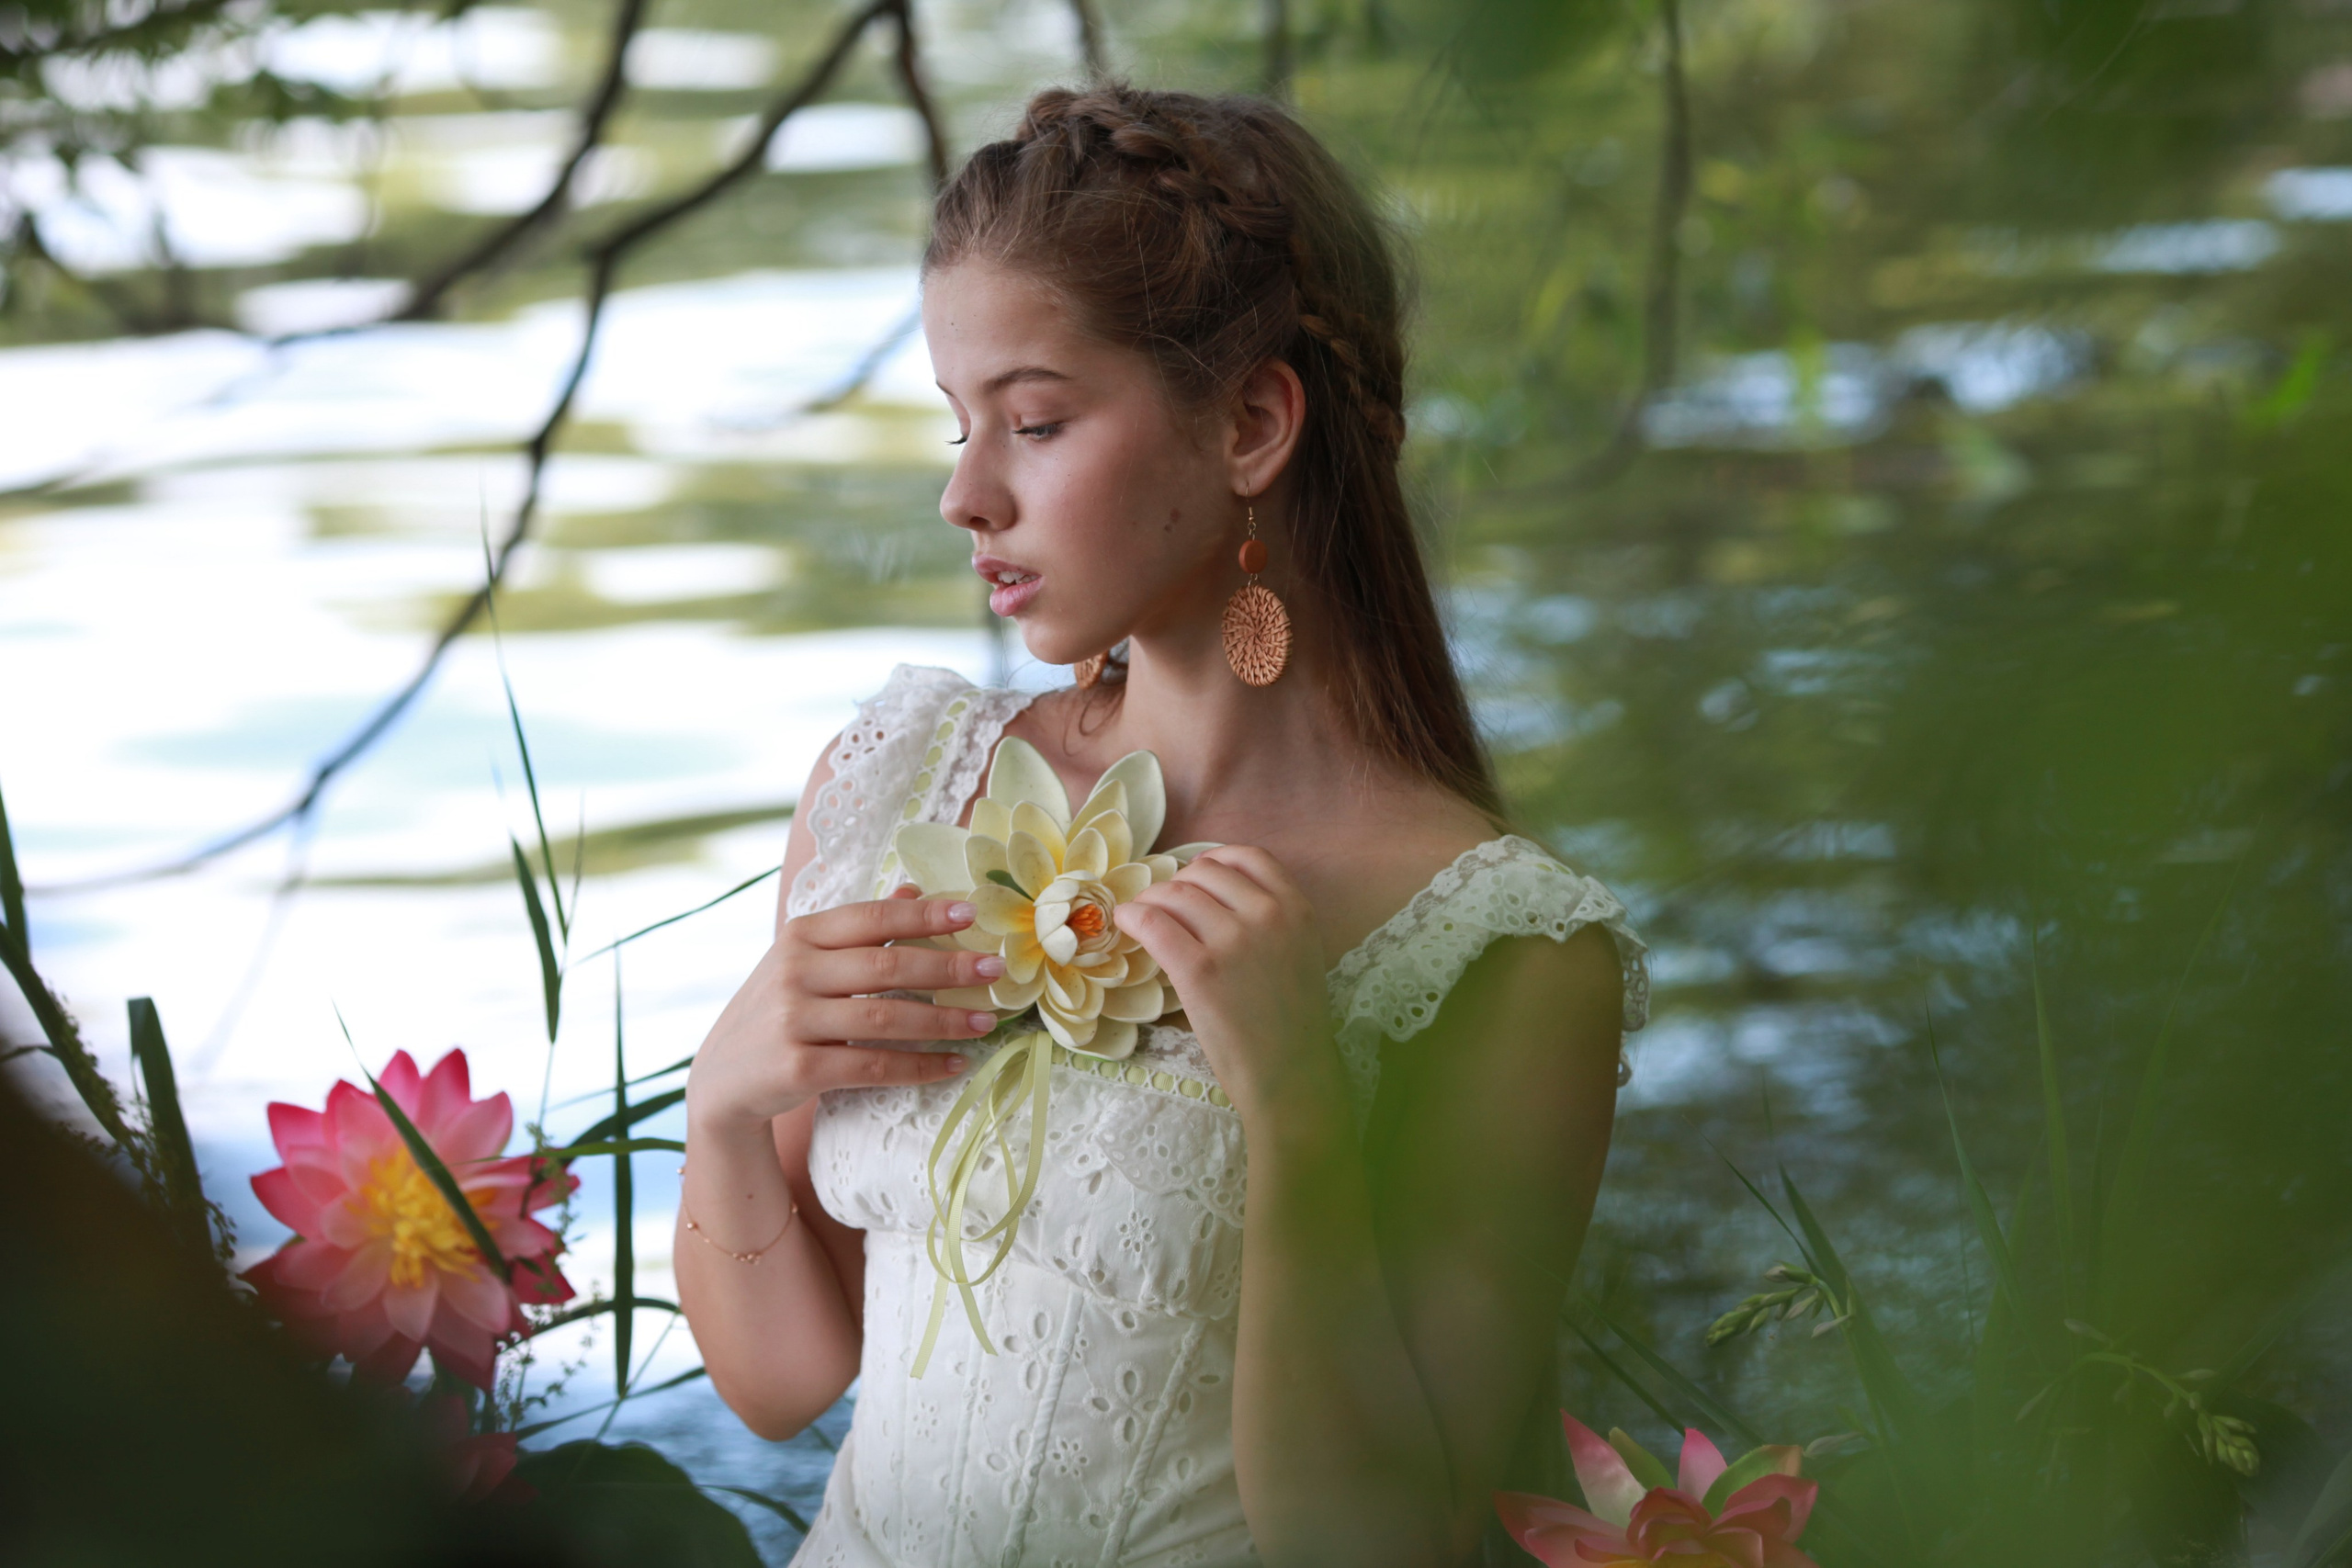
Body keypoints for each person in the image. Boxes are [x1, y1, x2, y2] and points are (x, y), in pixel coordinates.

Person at [675, 84, 1648, 1568]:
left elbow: (1380, 1538)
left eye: (1037, 421)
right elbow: (783, 1380)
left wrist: (1302, 1112)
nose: (964, 494)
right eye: (958, 424)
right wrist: (727, 1105)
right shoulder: (898, 782)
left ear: (1252, 421)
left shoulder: (1497, 944)